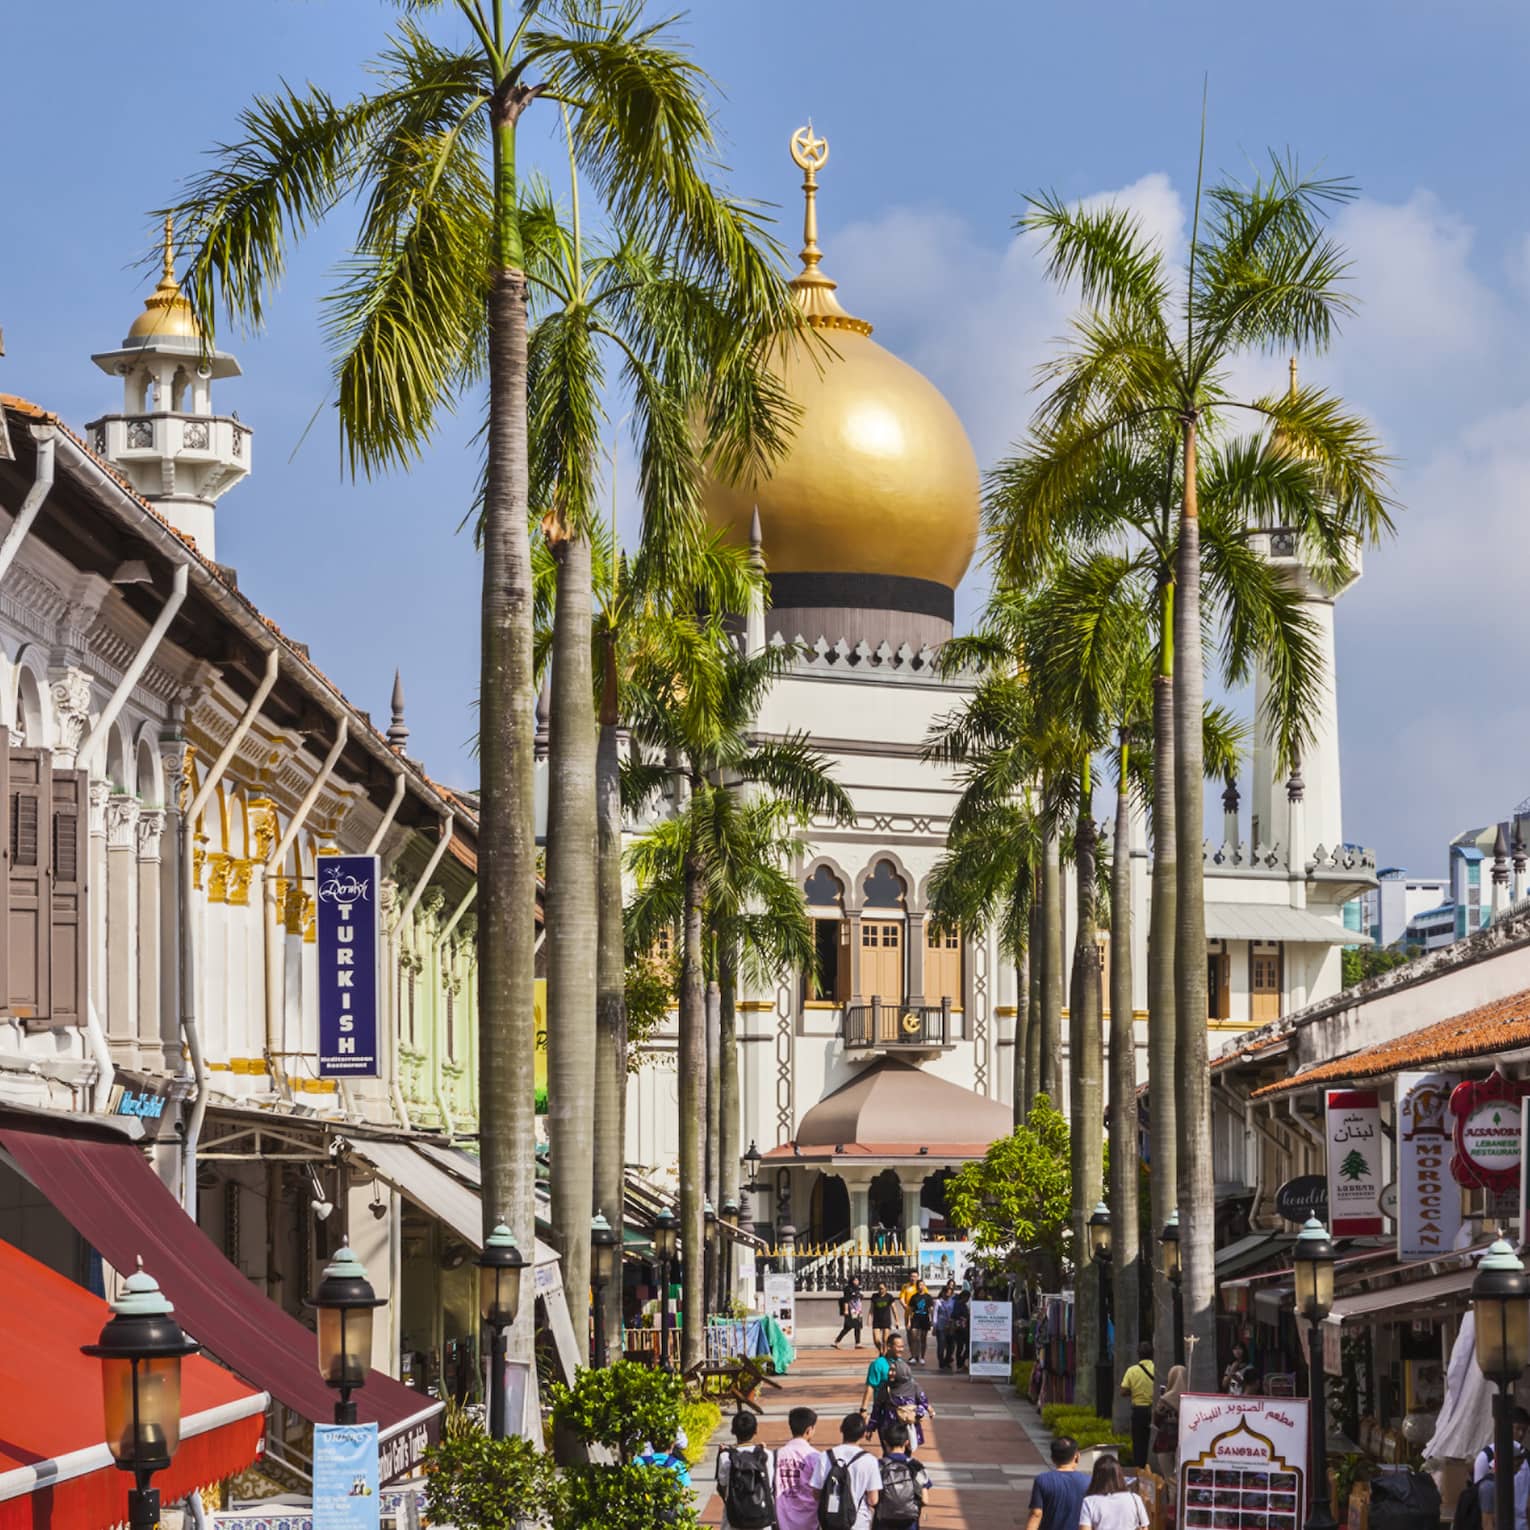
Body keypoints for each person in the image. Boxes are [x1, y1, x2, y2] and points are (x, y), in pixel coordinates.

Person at [862, 1332, 935, 1450]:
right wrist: (864, 1410)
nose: (902, 1349)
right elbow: (871, 1388)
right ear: (889, 1346)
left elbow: (920, 1397)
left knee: (906, 1452)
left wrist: (923, 1410)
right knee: (889, 1451)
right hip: (886, 1417)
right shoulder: (878, 1365)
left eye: (902, 1346)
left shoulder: (903, 1365)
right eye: (898, 1346)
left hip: (905, 1423)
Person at [811, 1412, 882, 1530]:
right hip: (858, 1522)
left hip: (830, 1521)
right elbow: (873, 1499)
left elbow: (816, 1494)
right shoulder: (870, 1460)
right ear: (864, 1434)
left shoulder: (825, 1456)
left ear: (841, 1429)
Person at [717, 1411, 776, 1530]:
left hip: (735, 1519)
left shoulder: (726, 1457)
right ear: (755, 1431)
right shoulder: (766, 1455)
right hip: (762, 1518)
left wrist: (722, 1453)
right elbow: (769, 1486)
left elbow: (723, 1486)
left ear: (733, 1431)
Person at [875, 1419, 933, 1528]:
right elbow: (925, 1500)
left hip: (883, 1521)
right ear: (906, 1442)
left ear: (885, 1442)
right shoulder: (916, 1466)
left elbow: (873, 1499)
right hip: (910, 1522)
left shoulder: (879, 1466)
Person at [1027, 1435, 1089, 1530]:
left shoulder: (1042, 1480)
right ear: (1076, 1456)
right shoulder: (1088, 1481)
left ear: (1052, 1457)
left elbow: (1036, 1513)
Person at [773, 1407, 821, 1530]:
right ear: (809, 1430)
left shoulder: (776, 1455)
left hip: (783, 1520)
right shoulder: (816, 1457)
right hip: (810, 1521)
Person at [1079, 1455, 1148, 1530]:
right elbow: (1144, 1527)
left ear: (1096, 1477)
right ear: (1119, 1475)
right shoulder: (1135, 1499)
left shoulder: (1089, 1501)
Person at [1118, 1341, 1156, 1471]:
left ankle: (1140, 1469)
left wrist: (1134, 1390)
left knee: (1139, 1442)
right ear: (1153, 1354)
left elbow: (1123, 1391)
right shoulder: (1158, 1368)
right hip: (1155, 1411)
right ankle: (1153, 1468)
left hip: (1139, 1411)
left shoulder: (1132, 1371)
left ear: (1138, 1355)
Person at [1151, 1364, 1186, 1487]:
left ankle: (1171, 1505)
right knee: (1182, 1479)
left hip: (1164, 1442)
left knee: (1169, 1479)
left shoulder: (1165, 1399)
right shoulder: (1190, 1399)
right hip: (1183, 1442)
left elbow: (1156, 1421)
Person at [906, 1280, 934, 1365]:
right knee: (914, 1337)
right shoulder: (914, 1297)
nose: (920, 1286)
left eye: (922, 1285)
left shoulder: (928, 1297)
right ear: (917, 1286)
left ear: (924, 1286)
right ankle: (914, 1356)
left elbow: (931, 1309)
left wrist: (932, 1320)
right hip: (915, 1319)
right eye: (919, 1285)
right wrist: (908, 1321)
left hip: (925, 1319)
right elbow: (910, 1310)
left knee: (923, 1338)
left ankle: (922, 1357)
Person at [834, 1275, 866, 1350]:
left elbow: (860, 1297)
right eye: (855, 1280)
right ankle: (837, 1341)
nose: (857, 1282)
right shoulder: (848, 1289)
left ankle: (858, 1343)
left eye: (857, 1280)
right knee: (848, 1326)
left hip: (857, 1310)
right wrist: (845, 1310)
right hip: (851, 1310)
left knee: (858, 1326)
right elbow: (846, 1300)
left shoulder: (858, 1289)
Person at [933, 1283, 957, 1371]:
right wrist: (934, 1326)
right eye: (946, 1293)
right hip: (941, 1326)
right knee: (941, 1345)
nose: (947, 1295)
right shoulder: (938, 1302)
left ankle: (947, 1361)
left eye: (949, 1293)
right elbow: (935, 1315)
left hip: (951, 1326)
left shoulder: (953, 1302)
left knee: (951, 1346)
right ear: (943, 1293)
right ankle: (941, 1363)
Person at [869, 1282, 899, 1352]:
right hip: (876, 1320)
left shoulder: (889, 1297)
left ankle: (884, 1355)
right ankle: (881, 1350)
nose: (880, 1290)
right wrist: (869, 1318)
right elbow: (871, 1309)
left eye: (882, 1288)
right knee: (876, 1340)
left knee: (885, 1340)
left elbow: (894, 1309)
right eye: (879, 1289)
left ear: (886, 1288)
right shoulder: (874, 1296)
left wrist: (896, 1320)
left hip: (886, 1320)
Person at [950, 1288, 971, 1371]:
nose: (968, 1300)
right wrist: (962, 1317)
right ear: (964, 1297)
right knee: (960, 1347)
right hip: (959, 1329)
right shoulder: (958, 1304)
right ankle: (960, 1364)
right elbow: (954, 1315)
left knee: (967, 1347)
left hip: (965, 1329)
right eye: (967, 1298)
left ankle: (962, 1362)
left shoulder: (964, 1305)